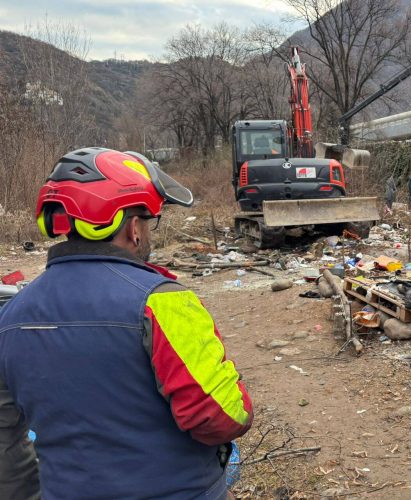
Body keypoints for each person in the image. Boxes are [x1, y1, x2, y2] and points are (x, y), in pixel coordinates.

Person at [0, 148, 254, 499]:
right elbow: (223, 416)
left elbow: (5, 444)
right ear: (134, 228)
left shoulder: (10, 317)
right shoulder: (162, 302)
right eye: (149, 222)